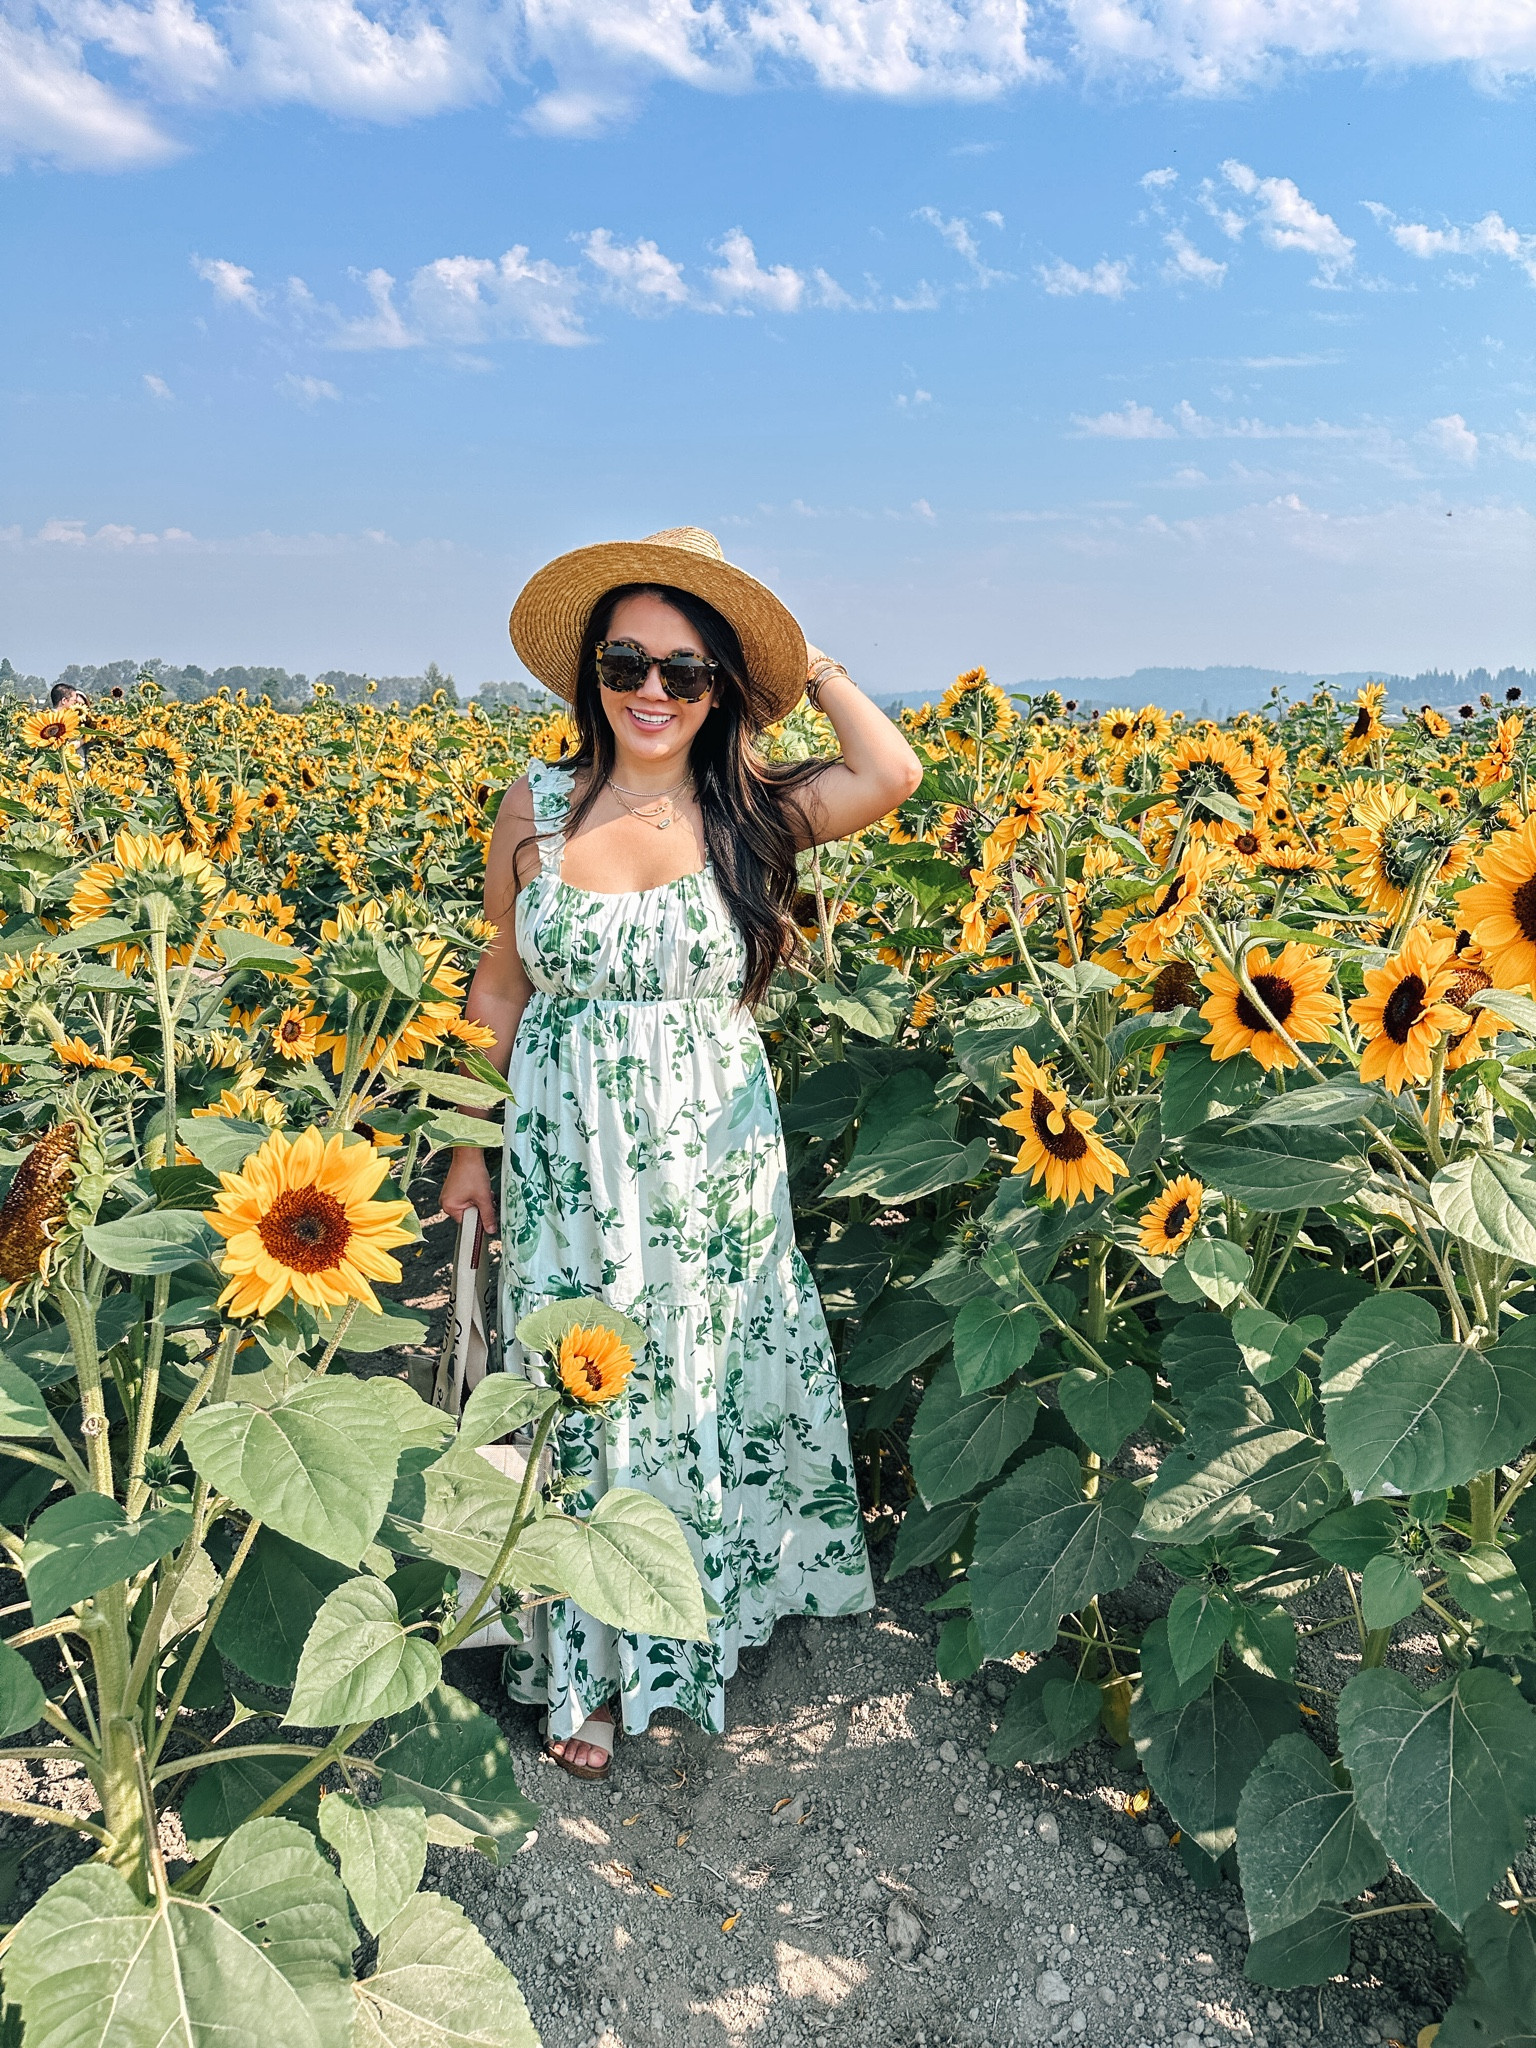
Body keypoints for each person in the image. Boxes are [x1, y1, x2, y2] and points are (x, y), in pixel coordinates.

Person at [441, 526, 923, 1779]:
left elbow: (893, 768)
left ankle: (689, 1627)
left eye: (689, 669)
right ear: (590, 674)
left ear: (723, 691)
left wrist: (801, 657)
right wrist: (466, 1150)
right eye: (625, 660)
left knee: (699, 1381)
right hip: (561, 1164)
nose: (651, 689)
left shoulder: (749, 813)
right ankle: (584, 1671)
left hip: (707, 1176)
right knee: (571, 1383)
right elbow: (499, 989)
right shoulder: (535, 806)